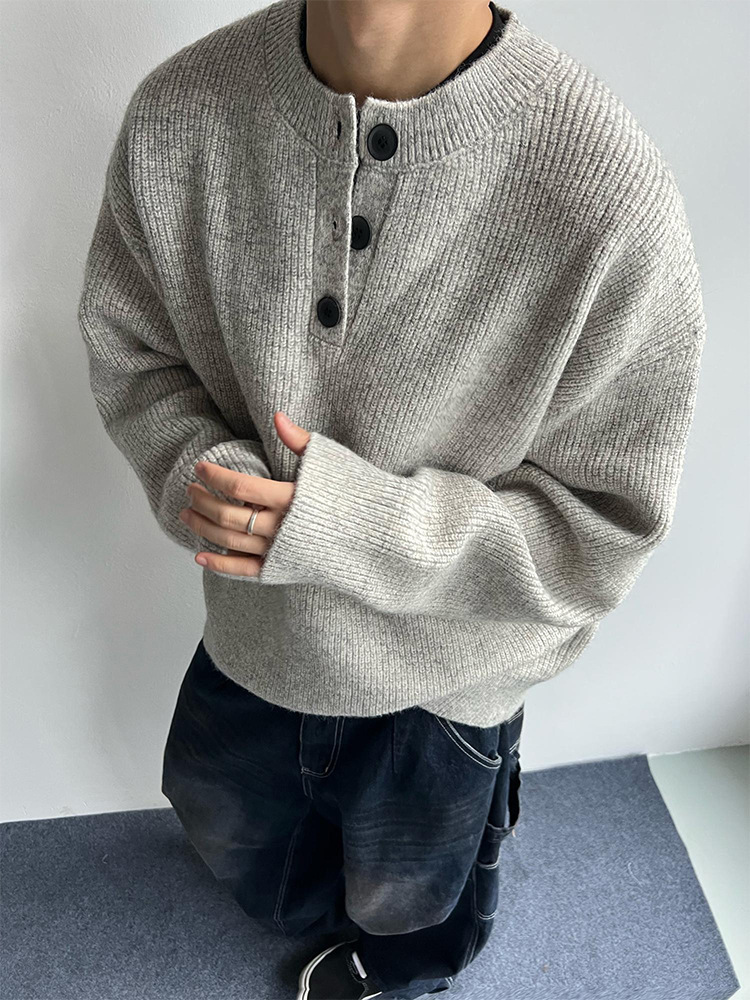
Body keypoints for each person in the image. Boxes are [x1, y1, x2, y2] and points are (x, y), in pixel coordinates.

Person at [76, 1, 707, 997]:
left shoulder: (606, 188)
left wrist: (352, 526)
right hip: (259, 633)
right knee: (233, 836)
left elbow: (604, 527)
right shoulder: (179, 115)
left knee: (420, 903)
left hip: (447, 682)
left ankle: (405, 964)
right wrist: (205, 471)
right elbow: (134, 353)